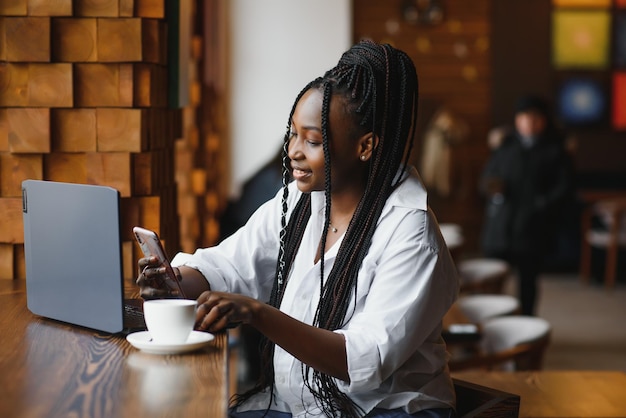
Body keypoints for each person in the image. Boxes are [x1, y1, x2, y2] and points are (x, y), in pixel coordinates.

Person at [138, 40, 459, 418]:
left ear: (366, 146)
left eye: (313, 140)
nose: (293, 151)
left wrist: (258, 314)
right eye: (292, 134)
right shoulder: (300, 202)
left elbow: (363, 360)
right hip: (308, 407)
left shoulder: (411, 231)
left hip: (387, 411)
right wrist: (174, 281)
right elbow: (230, 265)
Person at [480, 95, 574, 316]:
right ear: (517, 120)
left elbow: (564, 188)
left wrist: (541, 206)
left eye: (535, 118)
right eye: (524, 117)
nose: (530, 123)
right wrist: (492, 188)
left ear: (544, 121)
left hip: (532, 228)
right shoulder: (506, 147)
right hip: (501, 226)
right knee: (493, 281)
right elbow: (487, 178)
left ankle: (527, 324)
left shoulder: (556, 151)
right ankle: (494, 324)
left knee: (528, 282)